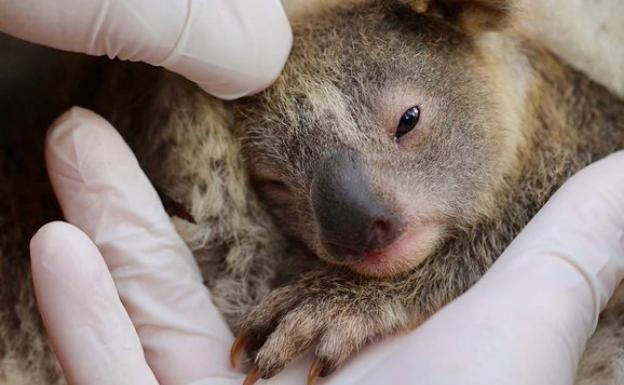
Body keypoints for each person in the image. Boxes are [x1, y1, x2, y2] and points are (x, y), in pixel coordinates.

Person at [1, 1, 622, 384]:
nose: (355, 223)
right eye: (277, 184)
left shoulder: (552, 104)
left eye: (406, 124)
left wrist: (402, 292)